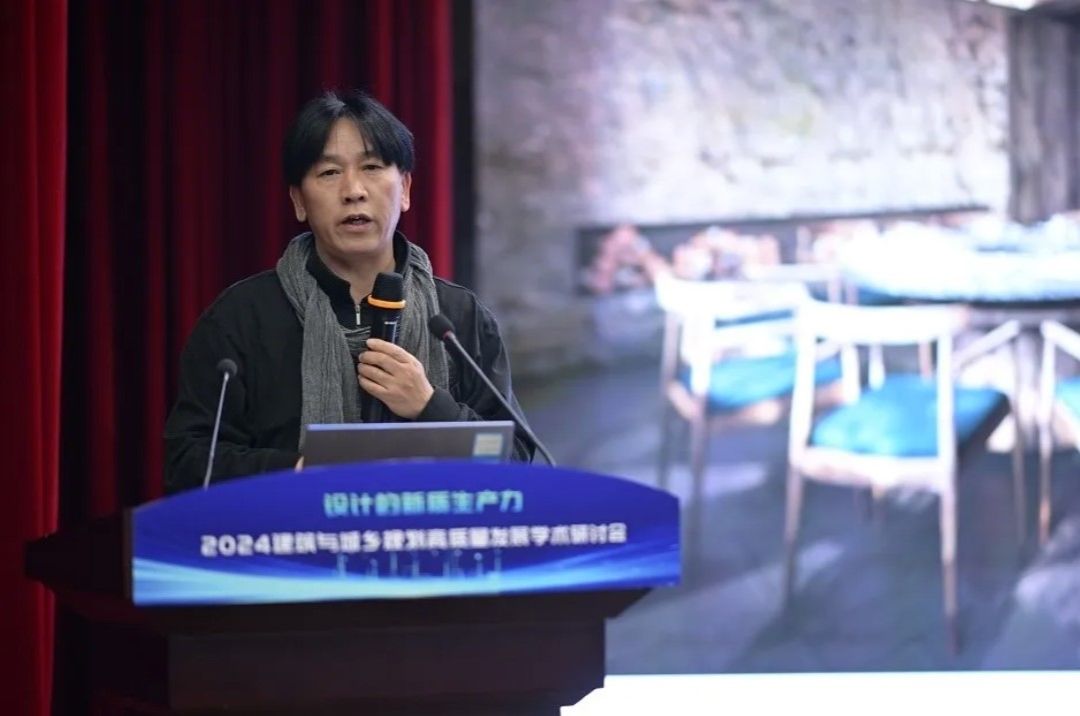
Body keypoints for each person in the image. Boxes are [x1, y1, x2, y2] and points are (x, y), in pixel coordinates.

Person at [163, 90, 533, 494]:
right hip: (289, 533)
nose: (353, 190)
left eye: (372, 167)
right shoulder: (242, 318)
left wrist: (430, 405)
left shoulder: (456, 318)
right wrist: (301, 473)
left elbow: (517, 460)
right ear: (298, 200)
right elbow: (188, 462)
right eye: (329, 172)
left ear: (405, 189)